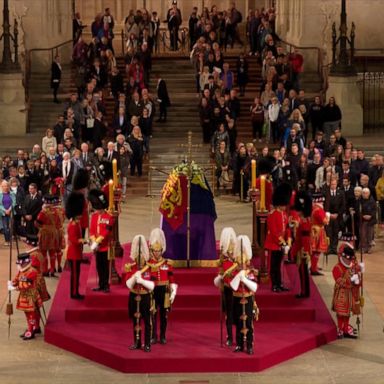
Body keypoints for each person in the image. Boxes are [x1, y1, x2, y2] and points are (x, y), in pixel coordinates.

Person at [147, 228, 177, 345]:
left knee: (164, 315)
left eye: (159, 251)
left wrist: (173, 291)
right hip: (153, 291)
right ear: (151, 250)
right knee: (153, 314)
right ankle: (154, 335)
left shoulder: (167, 263)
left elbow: (171, 278)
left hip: (164, 291)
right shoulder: (149, 264)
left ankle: (163, 335)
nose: (157, 253)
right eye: (155, 251)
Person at [125, 234, 155, 352]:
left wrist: (141, 280)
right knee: (135, 320)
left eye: (142, 256)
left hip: (145, 297)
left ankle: (147, 343)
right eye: (138, 256)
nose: (140, 258)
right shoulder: (131, 267)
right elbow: (128, 284)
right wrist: (134, 277)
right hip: (133, 296)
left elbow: (152, 285)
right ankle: (136, 342)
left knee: (147, 321)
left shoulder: (150, 268)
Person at [229, 235, 258, 355]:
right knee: (237, 321)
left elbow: (254, 287)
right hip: (236, 298)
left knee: (249, 323)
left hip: (248, 298)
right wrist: (238, 275)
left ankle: (249, 345)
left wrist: (244, 279)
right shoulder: (234, 272)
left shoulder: (250, 272)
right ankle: (239, 344)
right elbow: (233, 286)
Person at [264, 183, 292, 292]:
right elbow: (274, 232)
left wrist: (288, 242)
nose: (285, 206)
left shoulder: (284, 213)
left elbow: (287, 229)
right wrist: (283, 243)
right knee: (274, 266)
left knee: (279, 266)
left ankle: (279, 283)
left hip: (281, 244)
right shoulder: (272, 214)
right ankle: (274, 284)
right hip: (274, 244)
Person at [8, 253, 43, 340]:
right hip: (24, 295)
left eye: (21, 263)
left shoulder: (32, 272)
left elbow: (27, 285)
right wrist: (12, 282)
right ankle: (31, 328)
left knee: (31, 313)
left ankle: (31, 330)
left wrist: (15, 288)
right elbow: (17, 278)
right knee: (27, 313)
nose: (19, 265)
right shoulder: (22, 270)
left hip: (30, 296)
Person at [214, 227, 237, 346]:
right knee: (228, 313)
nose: (232, 254)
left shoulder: (239, 261)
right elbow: (220, 277)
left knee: (237, 314)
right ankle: (229, 337)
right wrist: (220, 279)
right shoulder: (224, 262)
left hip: (238, 290)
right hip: (228, 290)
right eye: (230, 252)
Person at [88, 189, 114, 293]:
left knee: (105, 267)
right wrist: (94, 243)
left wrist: (97, 242)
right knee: (99, 267)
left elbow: (106, 232)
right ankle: (101, 285)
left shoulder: (109, 217)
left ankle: (106, 285)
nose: (97, 210)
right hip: (97, 247)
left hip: (105, 246)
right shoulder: (94, 217)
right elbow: (92, 231)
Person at [331, 244, 360, 339]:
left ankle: (345, 330)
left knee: (347, 313)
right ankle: (340, 330)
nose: (349, 261)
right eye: (348, 259)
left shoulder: (352, 267)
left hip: (350, 294)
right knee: (341, 313)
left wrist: (357, 278)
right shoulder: (337, 268)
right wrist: (350, 280)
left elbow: (357, 282)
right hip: (341, 294)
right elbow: (339, 281)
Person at [292, 191, 313, 298]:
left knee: (303, 272)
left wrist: (304, 251)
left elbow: (305, 238)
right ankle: (305, 291)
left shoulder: (304, 222)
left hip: (303, 250)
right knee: (303, 272)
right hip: (302, 248)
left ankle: (304, 292)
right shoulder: (305, 220)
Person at [65, 191, 86, 299]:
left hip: (76, 253)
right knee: (75, 275)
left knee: (77, 274)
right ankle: (74, 293)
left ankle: (76, 291)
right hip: (73, 254)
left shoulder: (76, 222)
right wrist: (82, 241)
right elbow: (74, 240)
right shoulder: (73, 225)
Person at [35, 195, 61, 277]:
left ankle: (45, 270)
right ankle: (52, 269)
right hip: (54, 232)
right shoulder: (56, 211)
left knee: (43, 252)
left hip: (45, 233)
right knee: (52, 252)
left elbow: (38, 223)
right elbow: (58, 223)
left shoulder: (43, 212)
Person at [310, 193, 329, 275]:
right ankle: (313, 269)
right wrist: (327, 216)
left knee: (314, 251)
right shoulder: (319, 210)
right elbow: (325, 222)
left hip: (313, 229)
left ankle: (314, 266)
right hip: (318, 231)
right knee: (317, 251)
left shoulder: (313, 208)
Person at [0, 180, 16, 246]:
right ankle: (7, 240)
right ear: (2, 186)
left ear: (8, 186)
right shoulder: (0, 195)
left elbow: (14, 202)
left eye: (6, 186)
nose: (5, 187)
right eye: (4, 186)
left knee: (10, 227)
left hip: (11, 212)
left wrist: (9, 210)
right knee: (5, 227)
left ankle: (9, 240)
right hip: (3, 213)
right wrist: (5, 210)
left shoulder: (12, 193)